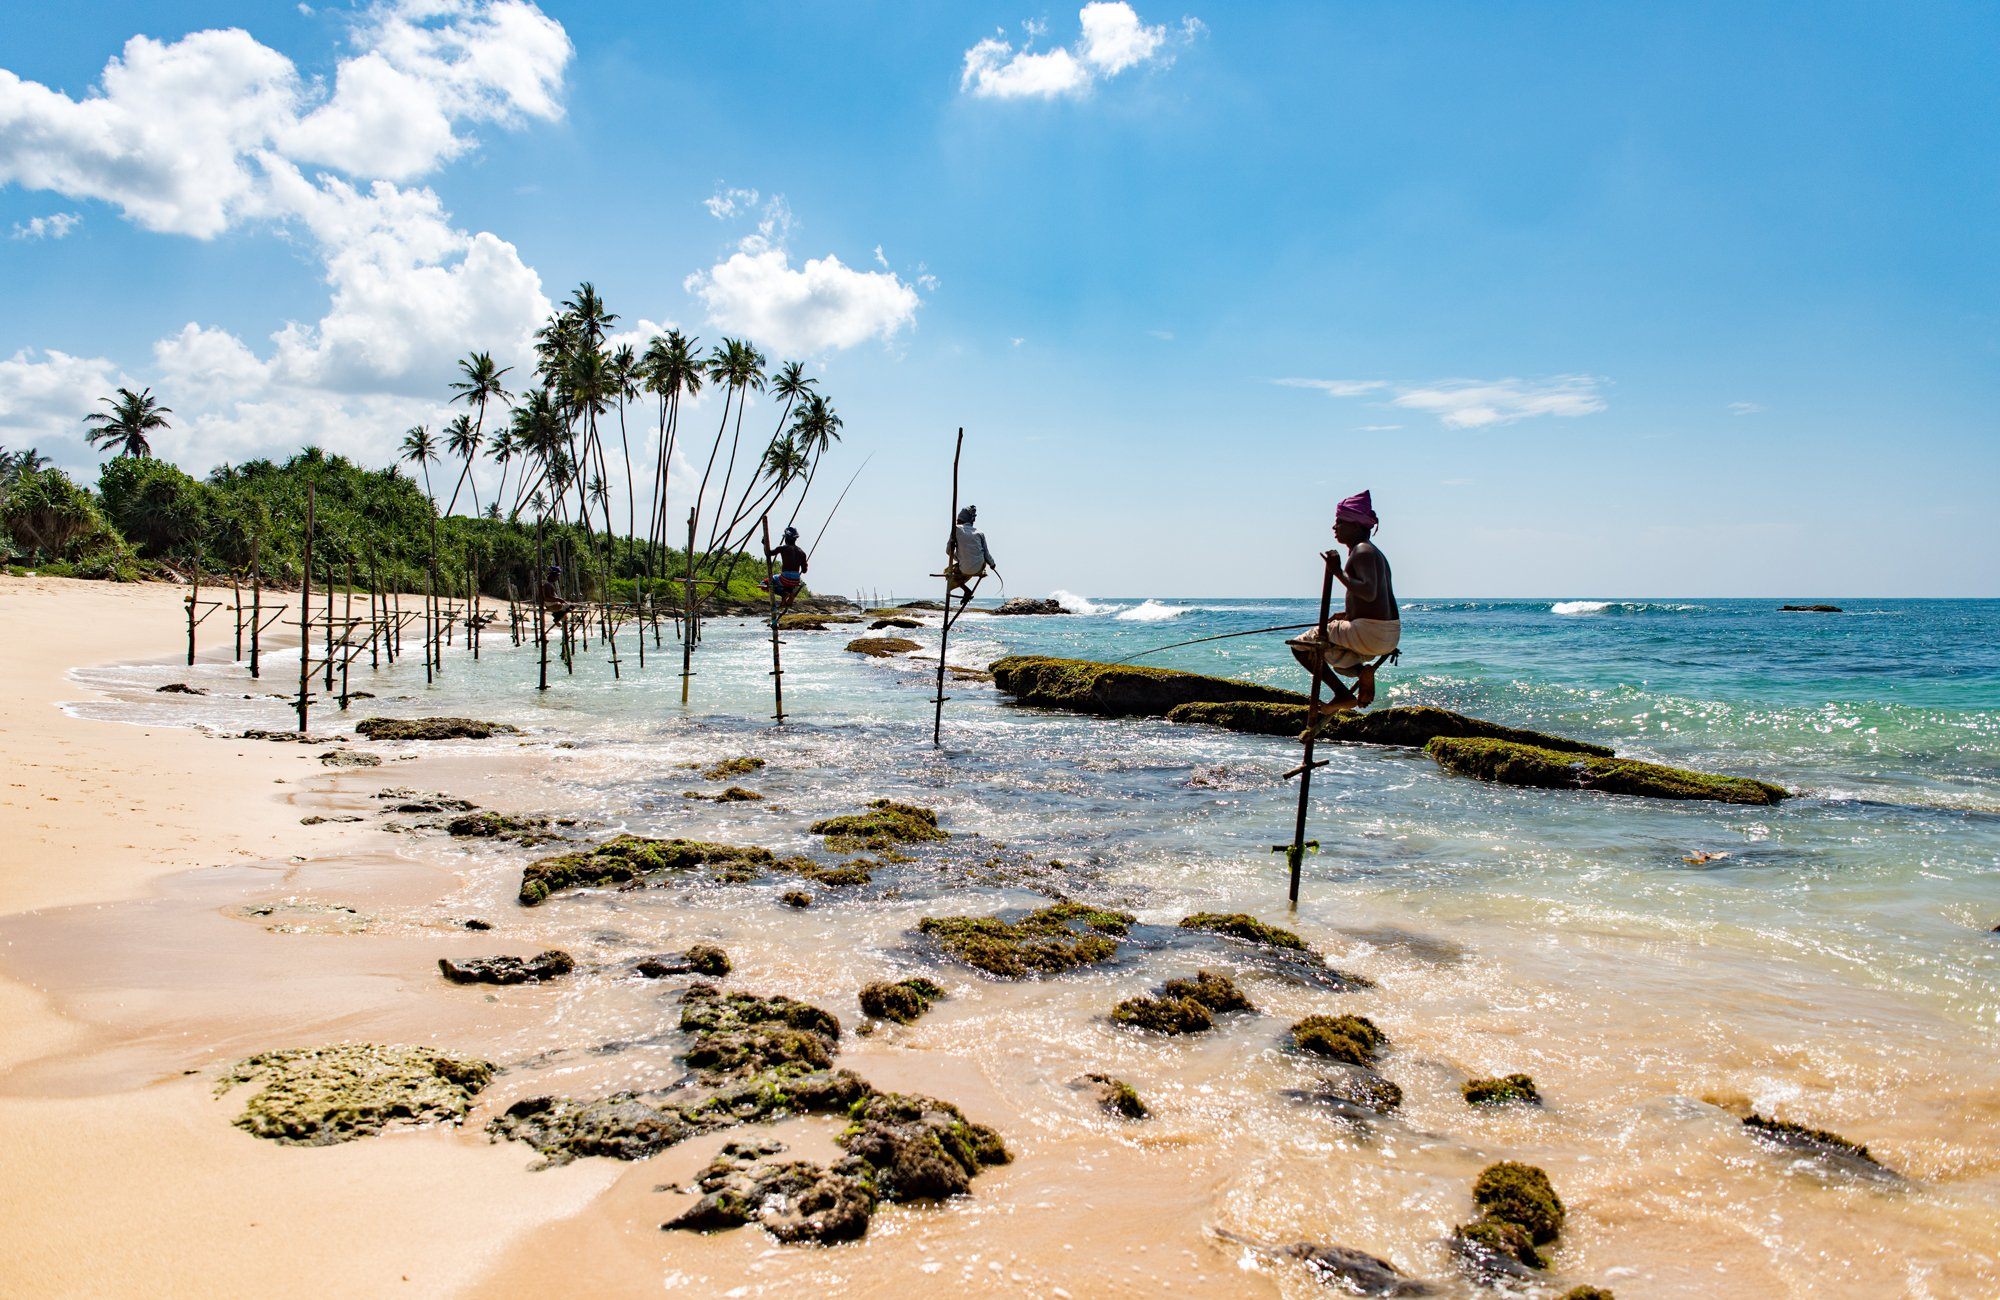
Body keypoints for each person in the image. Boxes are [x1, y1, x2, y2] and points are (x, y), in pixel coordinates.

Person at [1287, 490, 1399, 722]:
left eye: (1340, 521)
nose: (1334, 527)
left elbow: (1368, 592)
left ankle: (1341, 695)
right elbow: (1377, 599)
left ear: (1356, 526)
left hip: (1368, 632)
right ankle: (1361, 672)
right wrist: (1347, 615)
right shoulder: (1375, 553)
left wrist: (1337, 571)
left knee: (1300, 646)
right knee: (1335, 656)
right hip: (1386, 634)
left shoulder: (1361, 550)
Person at [944, 505, 995, 598]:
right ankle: (967, 589)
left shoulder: (956, 529)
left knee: (947, 572)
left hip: (964, 569)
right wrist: (992, 564)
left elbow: (948, 551)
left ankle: (965, 589)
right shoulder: (980, 533)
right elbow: (986, 554)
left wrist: (959, 558)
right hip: (979, 568)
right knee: (976, 560)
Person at [760, 526, 809, 609]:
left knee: (764, 583)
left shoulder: (783, 548)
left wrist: (765, 544)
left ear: (785, 538)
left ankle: (784, 594)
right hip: (796, 580)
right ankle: (788, 594)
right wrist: (804, 565)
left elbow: (768, 553)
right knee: (787, 584)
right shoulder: (802, 552)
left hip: (785, 578)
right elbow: (804, 570)